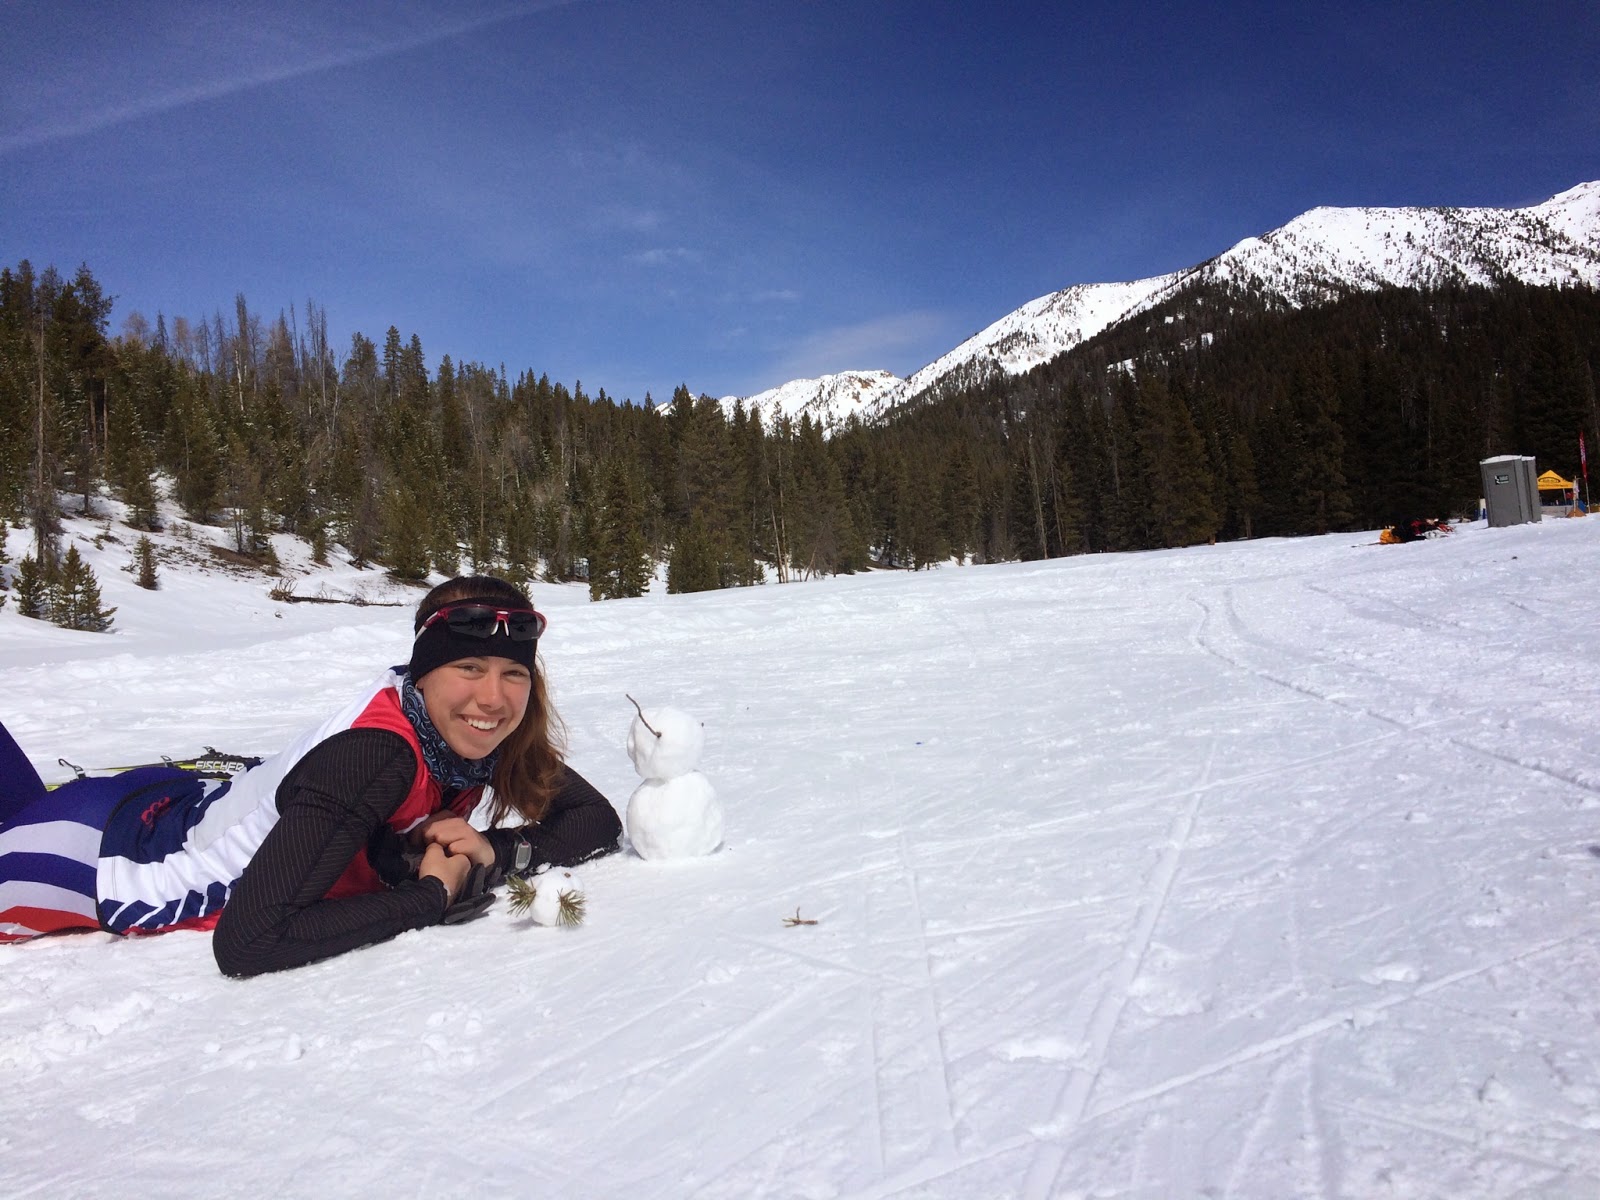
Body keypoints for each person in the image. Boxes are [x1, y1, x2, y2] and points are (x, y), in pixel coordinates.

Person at [0, 575, 621, 977]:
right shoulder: (378, 757)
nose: (493, 698)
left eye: (514, 674)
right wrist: (433, 895)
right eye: (470, 668)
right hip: (88, 862)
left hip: (166, 803)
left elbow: (597, 820)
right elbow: (248, 942)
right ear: (424, 672)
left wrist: (497, 851)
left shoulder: (472, 736)